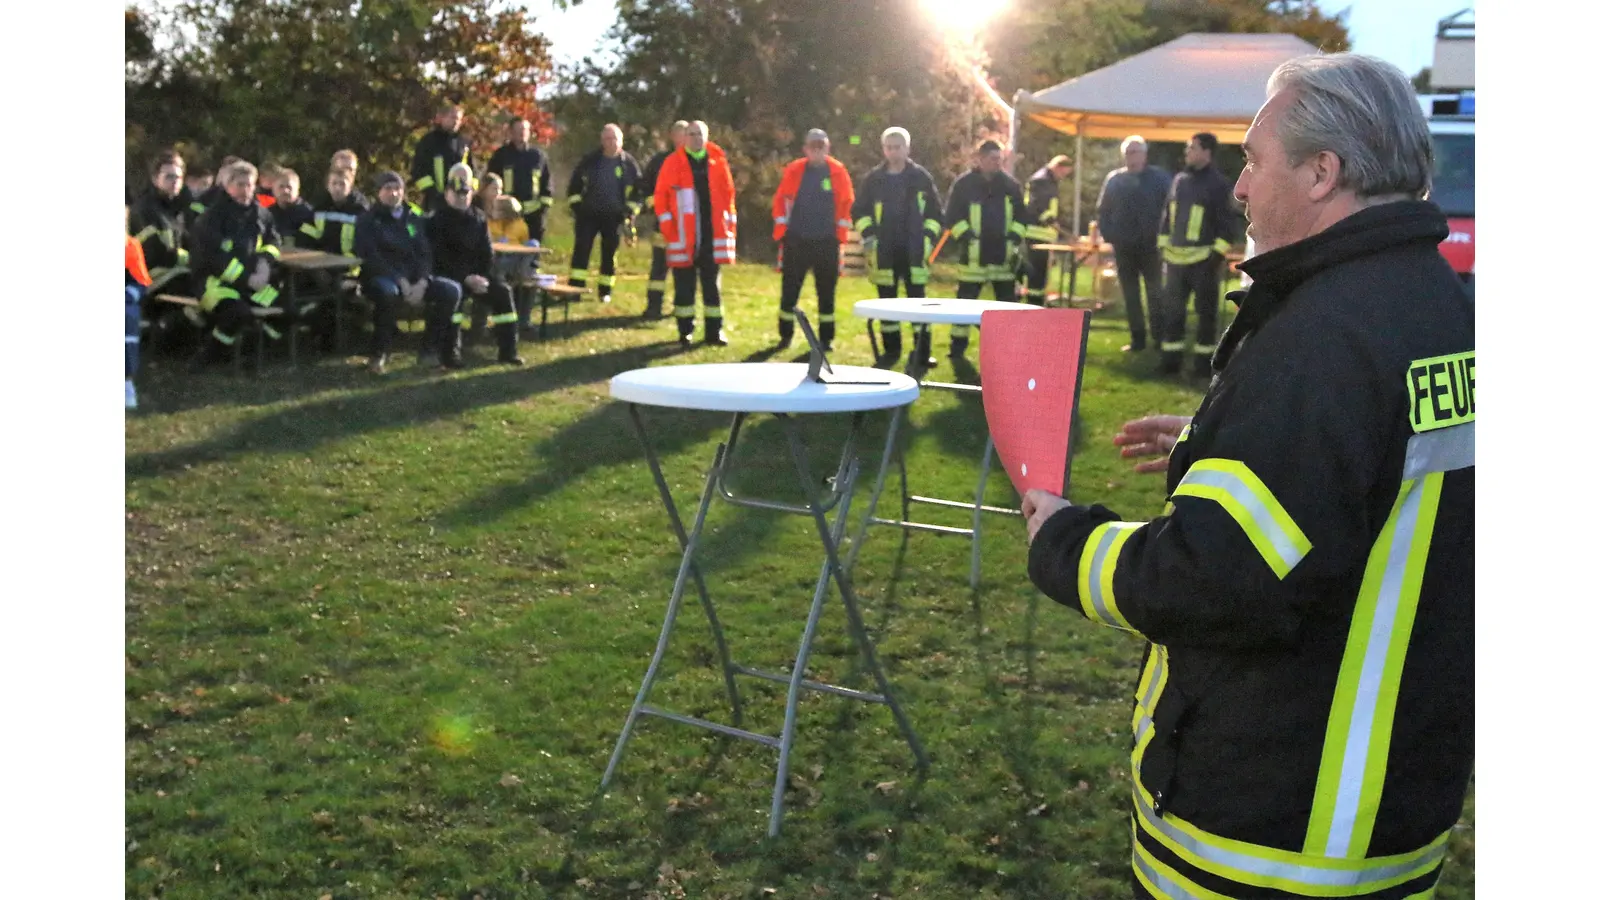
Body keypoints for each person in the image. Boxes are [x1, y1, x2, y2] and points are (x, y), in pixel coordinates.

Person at [1021, 52, 1473, 900]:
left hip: (1272, 827)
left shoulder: (1324, 339)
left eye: (1254, 160)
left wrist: (1062, 544)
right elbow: (1370, 476)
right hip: (1398, 805)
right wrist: (1216, 439)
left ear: (1321, 173)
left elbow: (1220, 579)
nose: (1238, 187)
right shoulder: (1443, 308)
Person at [352, 171, 464, 374]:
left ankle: (429, 350)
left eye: (398, 189)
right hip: (381, 278)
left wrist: (422, 281)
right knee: (388, 293)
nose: (394, 193)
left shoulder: (413, 218)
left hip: (415, 280)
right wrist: (400, 280)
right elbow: (371, 256)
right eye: (388, 188)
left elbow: (424, 253)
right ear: (378, 192)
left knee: (452, 290)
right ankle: (380, 353)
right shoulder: (367, 220)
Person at [851, 126, 944, 366]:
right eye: (889, 147)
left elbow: (935, 214)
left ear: (907, 148)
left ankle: (923, 353)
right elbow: (859, 210)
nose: (893, 152)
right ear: (884, 149)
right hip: (884, 251)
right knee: (887, 306)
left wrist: (927, 239)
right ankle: (891, 351)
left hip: (914, 251)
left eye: (898, 147)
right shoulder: (874, 179)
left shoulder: (921, 178)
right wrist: (869, 233)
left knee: (919, 304)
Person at [1155, 131, 1243, 376]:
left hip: (1203, 261)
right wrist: (1162, 246)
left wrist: (1215, 257)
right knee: (1173, 313)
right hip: (1174, 260)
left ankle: (1204, 366)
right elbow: (1167, 215)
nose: (1187, 152)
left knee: (1206, 316)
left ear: (1207, 152)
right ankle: (1170, 362)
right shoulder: (1179, 180)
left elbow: (1227, 226)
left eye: (1192, 148)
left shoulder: (1219, 184)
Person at [187, 161, 283, 368]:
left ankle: (253, 352)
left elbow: (274, 242)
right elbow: (213, 260)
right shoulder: (211, 218)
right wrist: (247, 279)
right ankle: (209, 357)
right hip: (214, 284)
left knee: (288, 308)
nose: (246, 190)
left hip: (253, 282)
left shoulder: (261, 214)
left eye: (250, 185)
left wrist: (265, 264)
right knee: (236, 314)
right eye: (240, 184)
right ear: (226, 185)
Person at [426, 164, 523, 367]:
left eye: (466, 191)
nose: (462, 196)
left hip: (477, 277)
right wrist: (465, 278)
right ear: (447, 193)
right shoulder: (437, 219)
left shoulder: (478, 218)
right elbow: (439, 258)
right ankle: (450, 355)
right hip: (449, 277)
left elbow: (487, 254)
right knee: (455, 295)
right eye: (457, 192)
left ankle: (508, 351)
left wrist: (481, 277)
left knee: (503, 292)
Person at [942, 140, 1029, 356]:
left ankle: (1008, 345)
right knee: (964, 304)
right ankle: (957, 347)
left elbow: (1022, 216)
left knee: (1007, 305)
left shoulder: (1011, 186)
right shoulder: (964, 185)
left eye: (999, 159)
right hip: (973, 257)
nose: (997, 164)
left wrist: (1014, 237)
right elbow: (952, 215)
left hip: (1003, 257)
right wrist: (967, 237)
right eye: (992, 159)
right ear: (979, 159)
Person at [654, 120, 737, 346]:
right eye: (691, 134)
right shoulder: (673, 163)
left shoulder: (718, 163)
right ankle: (685, 331)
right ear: (684, 137)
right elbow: (661, 198)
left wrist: (729, 228)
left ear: (707, 137)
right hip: (682, 237)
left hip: (712, 235)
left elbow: (729, 197)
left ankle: (714, 332)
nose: (695, 138)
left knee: (712, 287)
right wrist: (669, 228)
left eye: (699, 134)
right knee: (684, 288)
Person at [772, 128, 856, 350]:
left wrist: (839, 237)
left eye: (821, 146)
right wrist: (784, 232)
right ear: (805, 149)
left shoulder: (838, 172)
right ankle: (785, 335)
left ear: (827, 148)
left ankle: (826, 340)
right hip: (797, 241)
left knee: (826, 294)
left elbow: (846, 204)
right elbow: (780, 200)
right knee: (789, 291)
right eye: (813, 146)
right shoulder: (795, 170)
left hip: (827, 242)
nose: (817, 150)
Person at [1097, 135, 1173, 352]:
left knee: (1155, 293)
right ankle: (1137, 340)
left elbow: (1171, 208)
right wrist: (1110, 236)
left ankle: (1159, 339)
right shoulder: (1114, 180)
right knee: (1130, 295)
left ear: (1144, 154)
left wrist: (1165, 237)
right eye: (1128, 152)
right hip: (1124, 247)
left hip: (1152, 247)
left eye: (1135, 152)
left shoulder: (1159, 179)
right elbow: (1103, 211)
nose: (1131, 156)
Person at [566, 123, 643, 303]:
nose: (610, 142)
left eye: (614, 138)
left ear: (621, 141)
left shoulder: (629, 164)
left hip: (615, 217)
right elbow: (574, 187)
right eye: (607, 139)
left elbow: (638, 192)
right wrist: (578, 209)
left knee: (609, 255)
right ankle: (575, 289)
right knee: (581, 251)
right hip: (588, 216)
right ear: (602, 141)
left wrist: (630, 212)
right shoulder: (590, 161)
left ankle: (605, 291)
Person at [639, 120, 689, 319]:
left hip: (686, 225)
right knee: (659, 267)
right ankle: (653, 307)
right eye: (678, 133)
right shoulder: (660, 160)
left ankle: (682, 306)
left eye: (685, 134)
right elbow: (646, 186)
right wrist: (655, 205)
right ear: (672, 136)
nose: (681, 138)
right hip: (663, 222)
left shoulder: (694, 161)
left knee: (683, 269)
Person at [485, 118, 552, 256]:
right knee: (506, 247)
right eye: (518, 130)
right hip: (506, 213)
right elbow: (491, 182)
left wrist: (543, 208)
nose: (522, 133)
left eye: (525, 130)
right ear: (510, 132)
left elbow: (547, 184)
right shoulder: (501, 156)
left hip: (534, 215)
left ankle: (531, 272)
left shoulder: (538, 156)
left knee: (533, 249)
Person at [129, 151, 194, 294]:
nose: (175, 181)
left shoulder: (175, 210)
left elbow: (189, 241)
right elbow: (154, 254)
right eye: (169, 177)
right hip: (150, 280)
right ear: (155, 179)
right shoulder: (145, 209)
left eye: (178, 177)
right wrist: (192, 258)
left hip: (173, 274)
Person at [1019, 154, 1073, 305]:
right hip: (1036, 233)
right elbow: (1038, 207)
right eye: (1064, 173)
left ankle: (1037, 301)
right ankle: (1033, 302)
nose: (1063, 176)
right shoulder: (1042, 181)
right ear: (1058, 167)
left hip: (1044, 233)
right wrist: (1051, 222)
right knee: (1036, 272)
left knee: (1040, 272)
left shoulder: (1048, 180)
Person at [411, 102, 472, 213]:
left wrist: (469, 191)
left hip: (461, 202)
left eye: (458, 119)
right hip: (435, 204)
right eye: (453, 118)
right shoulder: (428, 142)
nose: (456, 122)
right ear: (440, 118)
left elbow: (472, 171)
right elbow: (418, 173)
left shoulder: (463, 143)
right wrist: (435, 193)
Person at [126, 207, 152, 410]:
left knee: (127, 318)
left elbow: (140, 281)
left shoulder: (129, 245)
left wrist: (127, 295)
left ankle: (126, 383)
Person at [270, 168, 318, 248]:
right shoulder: (267, 214)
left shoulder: (309, 214)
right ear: (273, 189)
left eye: (289, 187)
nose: (285, 191)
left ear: (297, 188)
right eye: (281, 187)